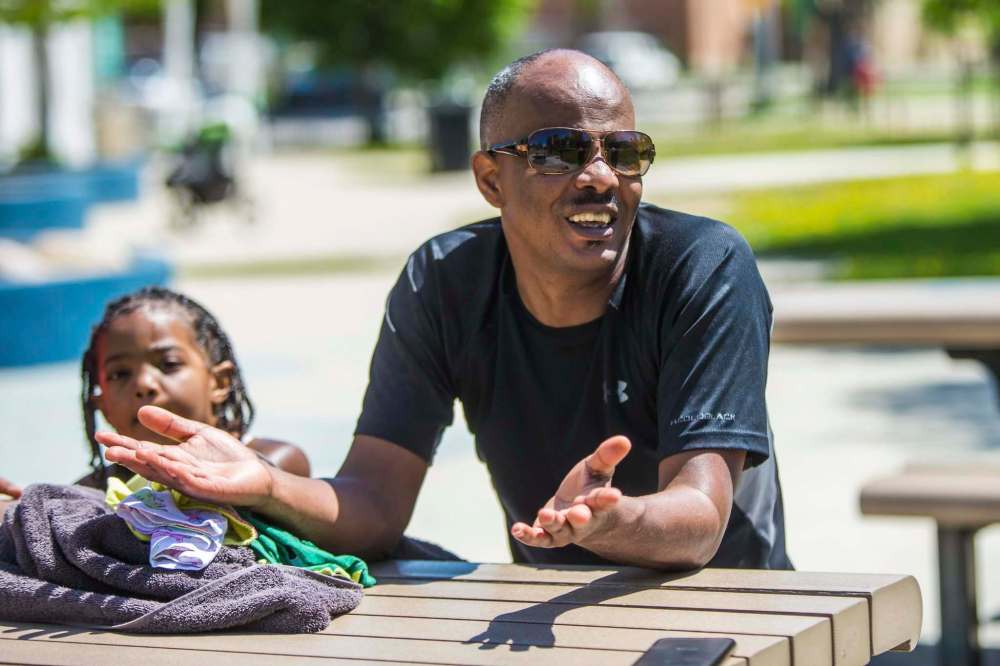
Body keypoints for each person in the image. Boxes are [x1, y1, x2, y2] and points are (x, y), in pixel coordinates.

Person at [98, 49, 790, 570]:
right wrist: (265, 486)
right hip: (542, 618)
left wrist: (611, 522)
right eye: (562, 151)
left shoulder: (703, 266)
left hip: (730, 609)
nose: (602, 176)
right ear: (492, 178)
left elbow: (700, 518)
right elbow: (374, 500)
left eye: (625, 152)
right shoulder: (445, 281)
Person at [0, 286, 310, 504]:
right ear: (101, 402)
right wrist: (29, 508)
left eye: (169, 364)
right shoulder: (97, 489)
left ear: (219, 382)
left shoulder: (273, 462)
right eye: (120, 374)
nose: (144, 384)